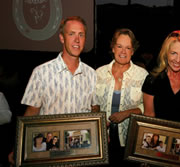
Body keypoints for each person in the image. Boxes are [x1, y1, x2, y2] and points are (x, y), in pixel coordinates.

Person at [9, 16, 99, 165]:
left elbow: (94, 109)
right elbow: (31, 114)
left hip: (81, 151)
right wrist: (17, 146)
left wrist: (101, 133)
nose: (77, 40)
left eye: (81, 34)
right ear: (62, 38)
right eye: (71, 34)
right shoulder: (41, 72)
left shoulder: (91, 74)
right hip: (50, 151)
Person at [96, 28, 148, 166]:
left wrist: (127, 113)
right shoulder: (99, 73)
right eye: (119, 46)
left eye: (128, 48)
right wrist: (99, 127)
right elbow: (93, 104)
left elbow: (148, 107)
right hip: (102, 138)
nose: (123, 52)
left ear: (133, 51)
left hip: (129, 139)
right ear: (113, 48)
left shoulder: (142, 75)